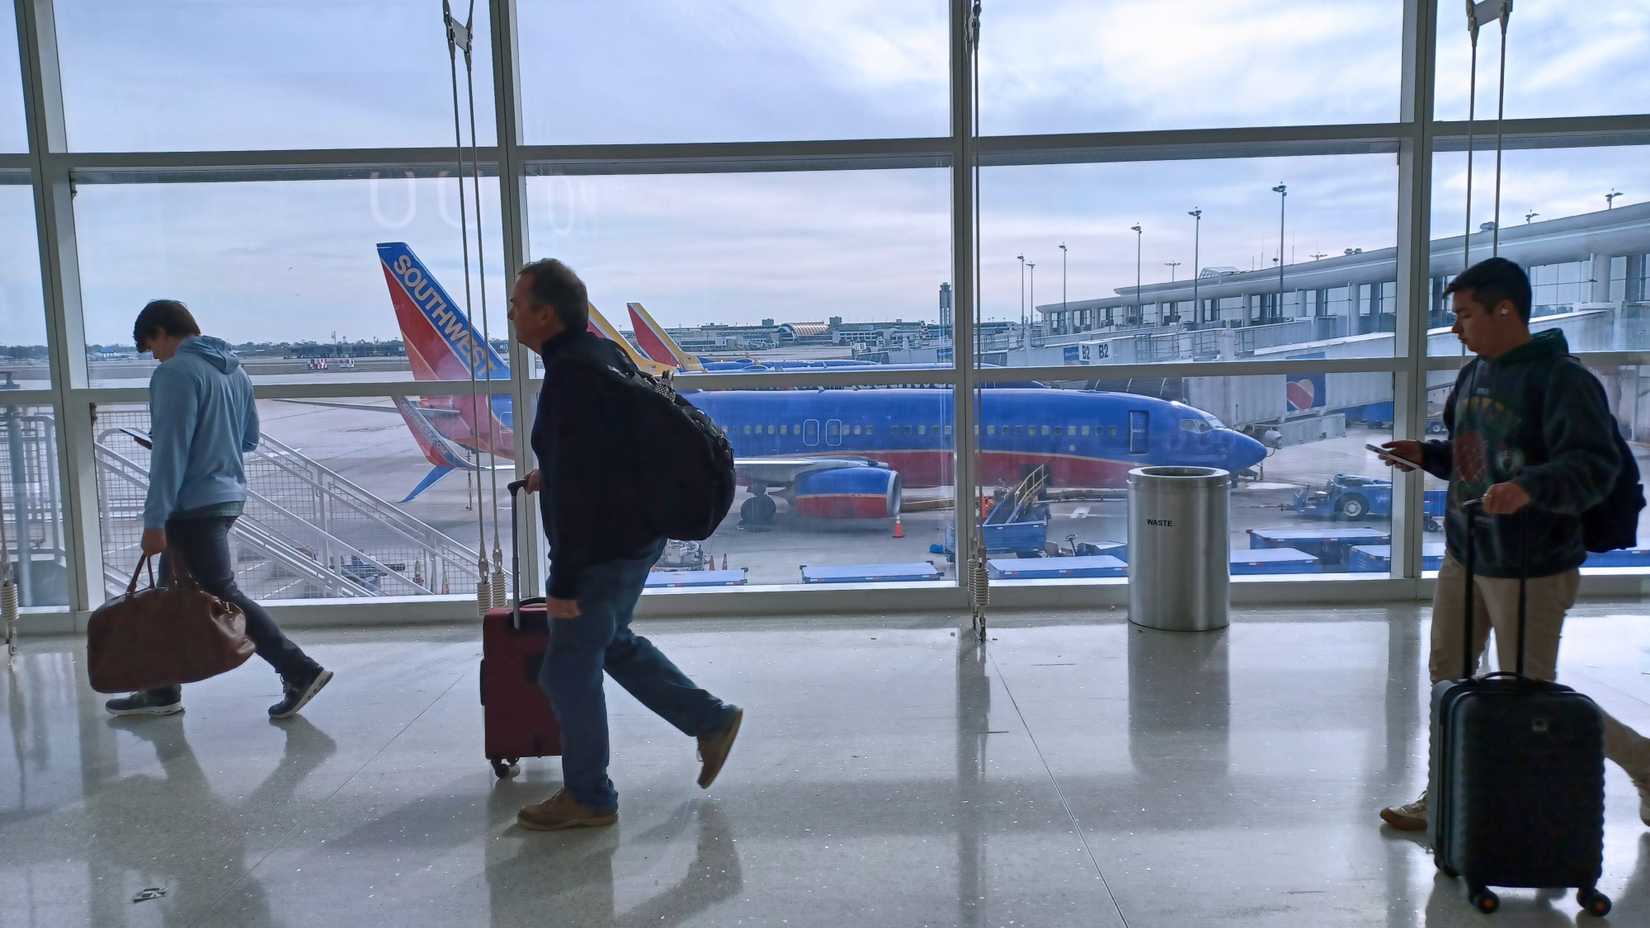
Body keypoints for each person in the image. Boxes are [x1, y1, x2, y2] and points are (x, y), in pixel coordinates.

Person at [1377, 257, 1650, 831]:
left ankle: (1642, 763)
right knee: (1448, 677)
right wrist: (1429, 455)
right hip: (1467, 551)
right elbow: (1473, 461)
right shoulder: (1474, 375)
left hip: (1531, 563)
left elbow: (1593, 466)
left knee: (1534, 695)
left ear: (1507, 310)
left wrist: (1527, 490)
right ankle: (1444, 795)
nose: (1456, 328)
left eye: (1465, 315)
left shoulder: (1562, 379)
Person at [508, 258, 744, 832]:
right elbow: (608, 455)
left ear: (545, 313)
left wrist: (563, 585)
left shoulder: (569, 378)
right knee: (610, 643)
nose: (510, 313)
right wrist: (553, 472)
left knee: (566, 671)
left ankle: (590, 796)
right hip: (637, 535)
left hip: (602, 549)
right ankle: (709, 720)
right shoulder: (601, 356)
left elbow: (583, 497)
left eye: (518, 303)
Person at [105, 300, 333, 721]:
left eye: (150, 346)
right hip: (227, 495)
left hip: (190, 504)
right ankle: (161, 689)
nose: (153, 355)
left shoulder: (174, 374)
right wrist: (213, 446)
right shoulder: (235, 371)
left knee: (221, 593)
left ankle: (299, 669)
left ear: (161, 332)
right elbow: (248, 439)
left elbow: (169, 454)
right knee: (171, 595)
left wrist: (154, 520)